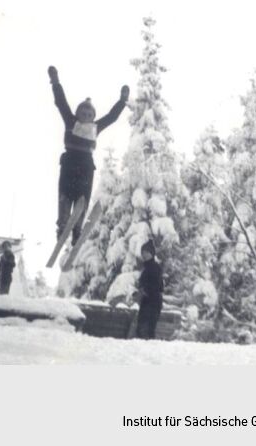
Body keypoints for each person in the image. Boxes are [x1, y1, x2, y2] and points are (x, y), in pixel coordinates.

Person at [48, 66, 129, 245]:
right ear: (77, 114)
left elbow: (111, 117)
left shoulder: (95, 127)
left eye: (89, 114)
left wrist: (122, 101)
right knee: (65, 197)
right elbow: (61, 102)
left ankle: (77, 230)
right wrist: (55, 82)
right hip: (69, 164)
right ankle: (62, 226)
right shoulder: (70, 121)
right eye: (83, 113)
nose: (85, 116)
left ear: (93, 117)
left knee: (81, 199)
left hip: (85, 167)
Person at [135, 240, 164, 340]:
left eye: (146, 252)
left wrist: (145, 290)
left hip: (153, 303)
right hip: (147, 302)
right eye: (142, 252)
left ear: (151, 253)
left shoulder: (155, 267)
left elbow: (159, 286)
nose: (144, 255)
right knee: (142, 330)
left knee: (147, 330)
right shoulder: (146, 268)